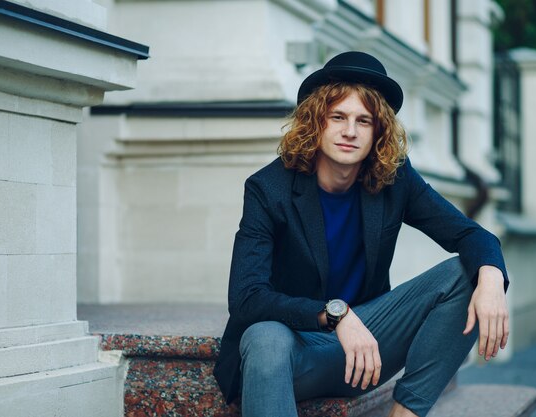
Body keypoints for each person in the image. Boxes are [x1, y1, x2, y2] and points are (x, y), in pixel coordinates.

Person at [213, 51, 509, 417]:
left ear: (378, 131)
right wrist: (335, 315)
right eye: (337, 117)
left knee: (469, 272)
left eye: (363, 121)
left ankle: (406, 412)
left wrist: (493, 278)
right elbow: (247, 299)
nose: (349, 131)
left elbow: (470, 235)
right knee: (263, 337)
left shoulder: (394, 179)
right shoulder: (268, 189)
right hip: (294, 352)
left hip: (366, 349)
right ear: (316, 122)